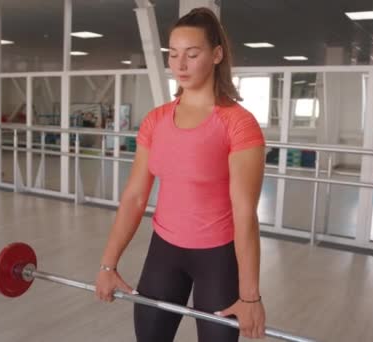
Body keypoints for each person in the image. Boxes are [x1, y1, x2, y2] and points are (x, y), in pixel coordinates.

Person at [95, 7, 266, 341]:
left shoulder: (238, 123)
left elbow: (245, 213)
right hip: (164, 252)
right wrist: (108, 265)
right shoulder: (156, 120)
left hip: (218, 258)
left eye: (192, 54)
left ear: (217, 54)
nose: (180, 65)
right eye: (173, 55)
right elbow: (135, 196)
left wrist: (250, 296)